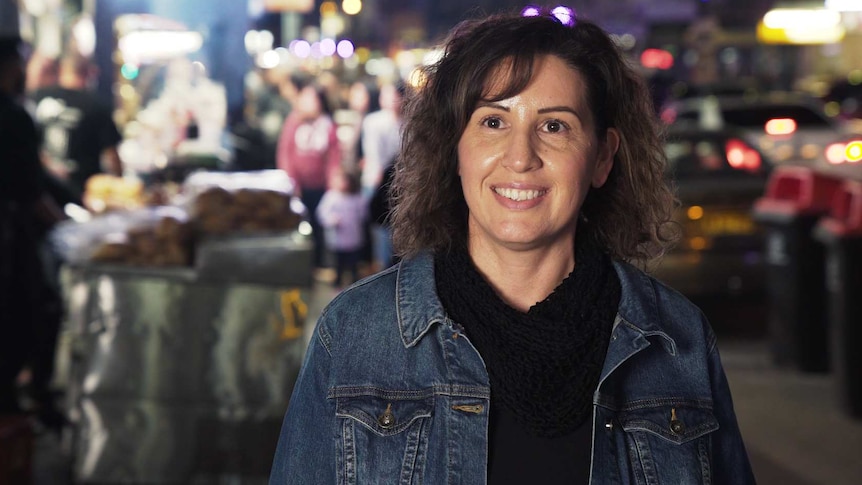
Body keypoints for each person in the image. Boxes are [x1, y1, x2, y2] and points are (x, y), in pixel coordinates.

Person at [270, 10, 755, 485]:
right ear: (452, 147)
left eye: (554, 126)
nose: (521, 158)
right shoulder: (356, 333)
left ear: (602, 158)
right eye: (493, 122)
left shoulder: (676, 341)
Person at [0, 36, 64, 418]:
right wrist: (66, 224)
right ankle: (27, 398)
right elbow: (30, 188)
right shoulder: (14, 115)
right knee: (35, 309)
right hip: (10, 240)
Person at [31, 54, 123, 206]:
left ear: (61, 70)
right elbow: (112, 156)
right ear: (90, 73)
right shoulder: (97, 105)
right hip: (85, 195)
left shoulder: (37, 98)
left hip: (45, 196)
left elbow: (25, 145)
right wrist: (119, 188)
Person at [276, 82, 341, 271]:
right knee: (301, 224)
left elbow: (334, 157)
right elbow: (285, 152)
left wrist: (332, 184)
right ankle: (303, 264)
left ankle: (321, 262)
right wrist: (291, 181)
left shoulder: (327, 124)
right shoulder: (293, 122)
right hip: (299, 186)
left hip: (321, 186)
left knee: (320, 224)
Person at [360, 81, 404, 271]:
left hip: (398, 181)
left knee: (393, 226)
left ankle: (390, 266)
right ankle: (380, 265)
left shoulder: (407, 122)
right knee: (379, 226)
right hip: (379, 180)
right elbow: (373, 154)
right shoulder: (374, 121)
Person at [316, 170, 367, 289]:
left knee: (354, 262)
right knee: (338, 263)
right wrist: (331, 220)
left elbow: (363, 215)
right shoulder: (331, 197)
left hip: (354, 237)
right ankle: (338, 281)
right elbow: (322, 213)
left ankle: (355, 282)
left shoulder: (357, 198)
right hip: (338, 238)